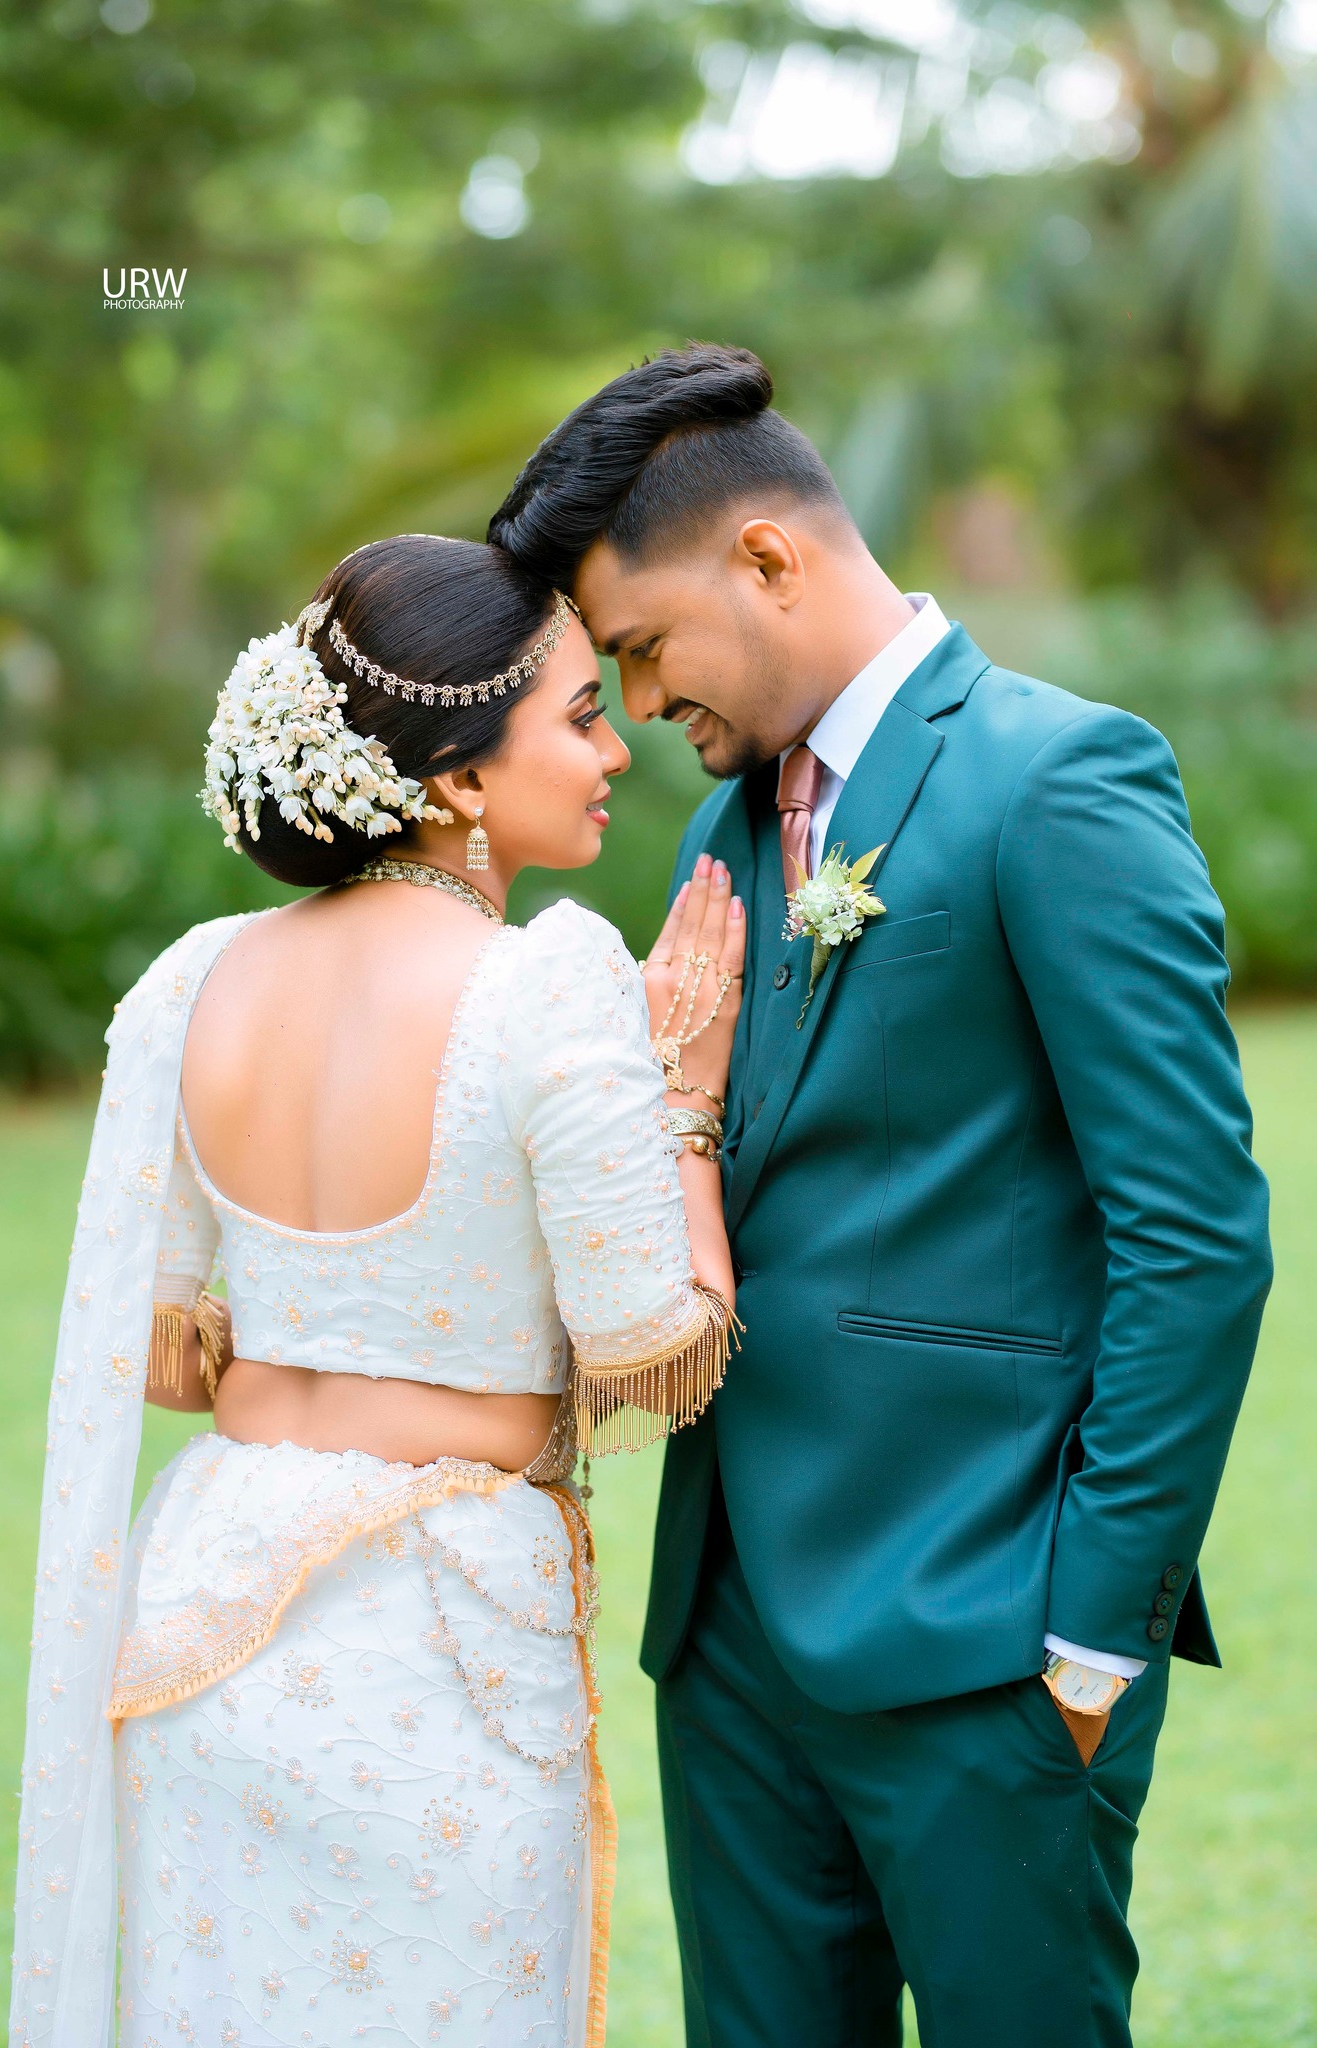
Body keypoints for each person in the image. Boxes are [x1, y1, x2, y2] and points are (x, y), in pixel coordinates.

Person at [487, 343, 1274, 2047]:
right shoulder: (719, 840)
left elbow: (1198, 1239)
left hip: (991, 1638)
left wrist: (1094, 1637)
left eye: (642, 648)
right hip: (729, 1650)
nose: (637, 706)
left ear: (766, 557)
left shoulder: (1058, 781)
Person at [9, 533, 745, 2048]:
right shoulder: (549, 981)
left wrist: (329, 1333)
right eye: (579, 717)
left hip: (209, 1615)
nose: (618, 749)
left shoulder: (193, 981)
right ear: (460, 778)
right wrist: (684, 1095)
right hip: (435, 1643)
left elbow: (163, 1350)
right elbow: (657, 1343)